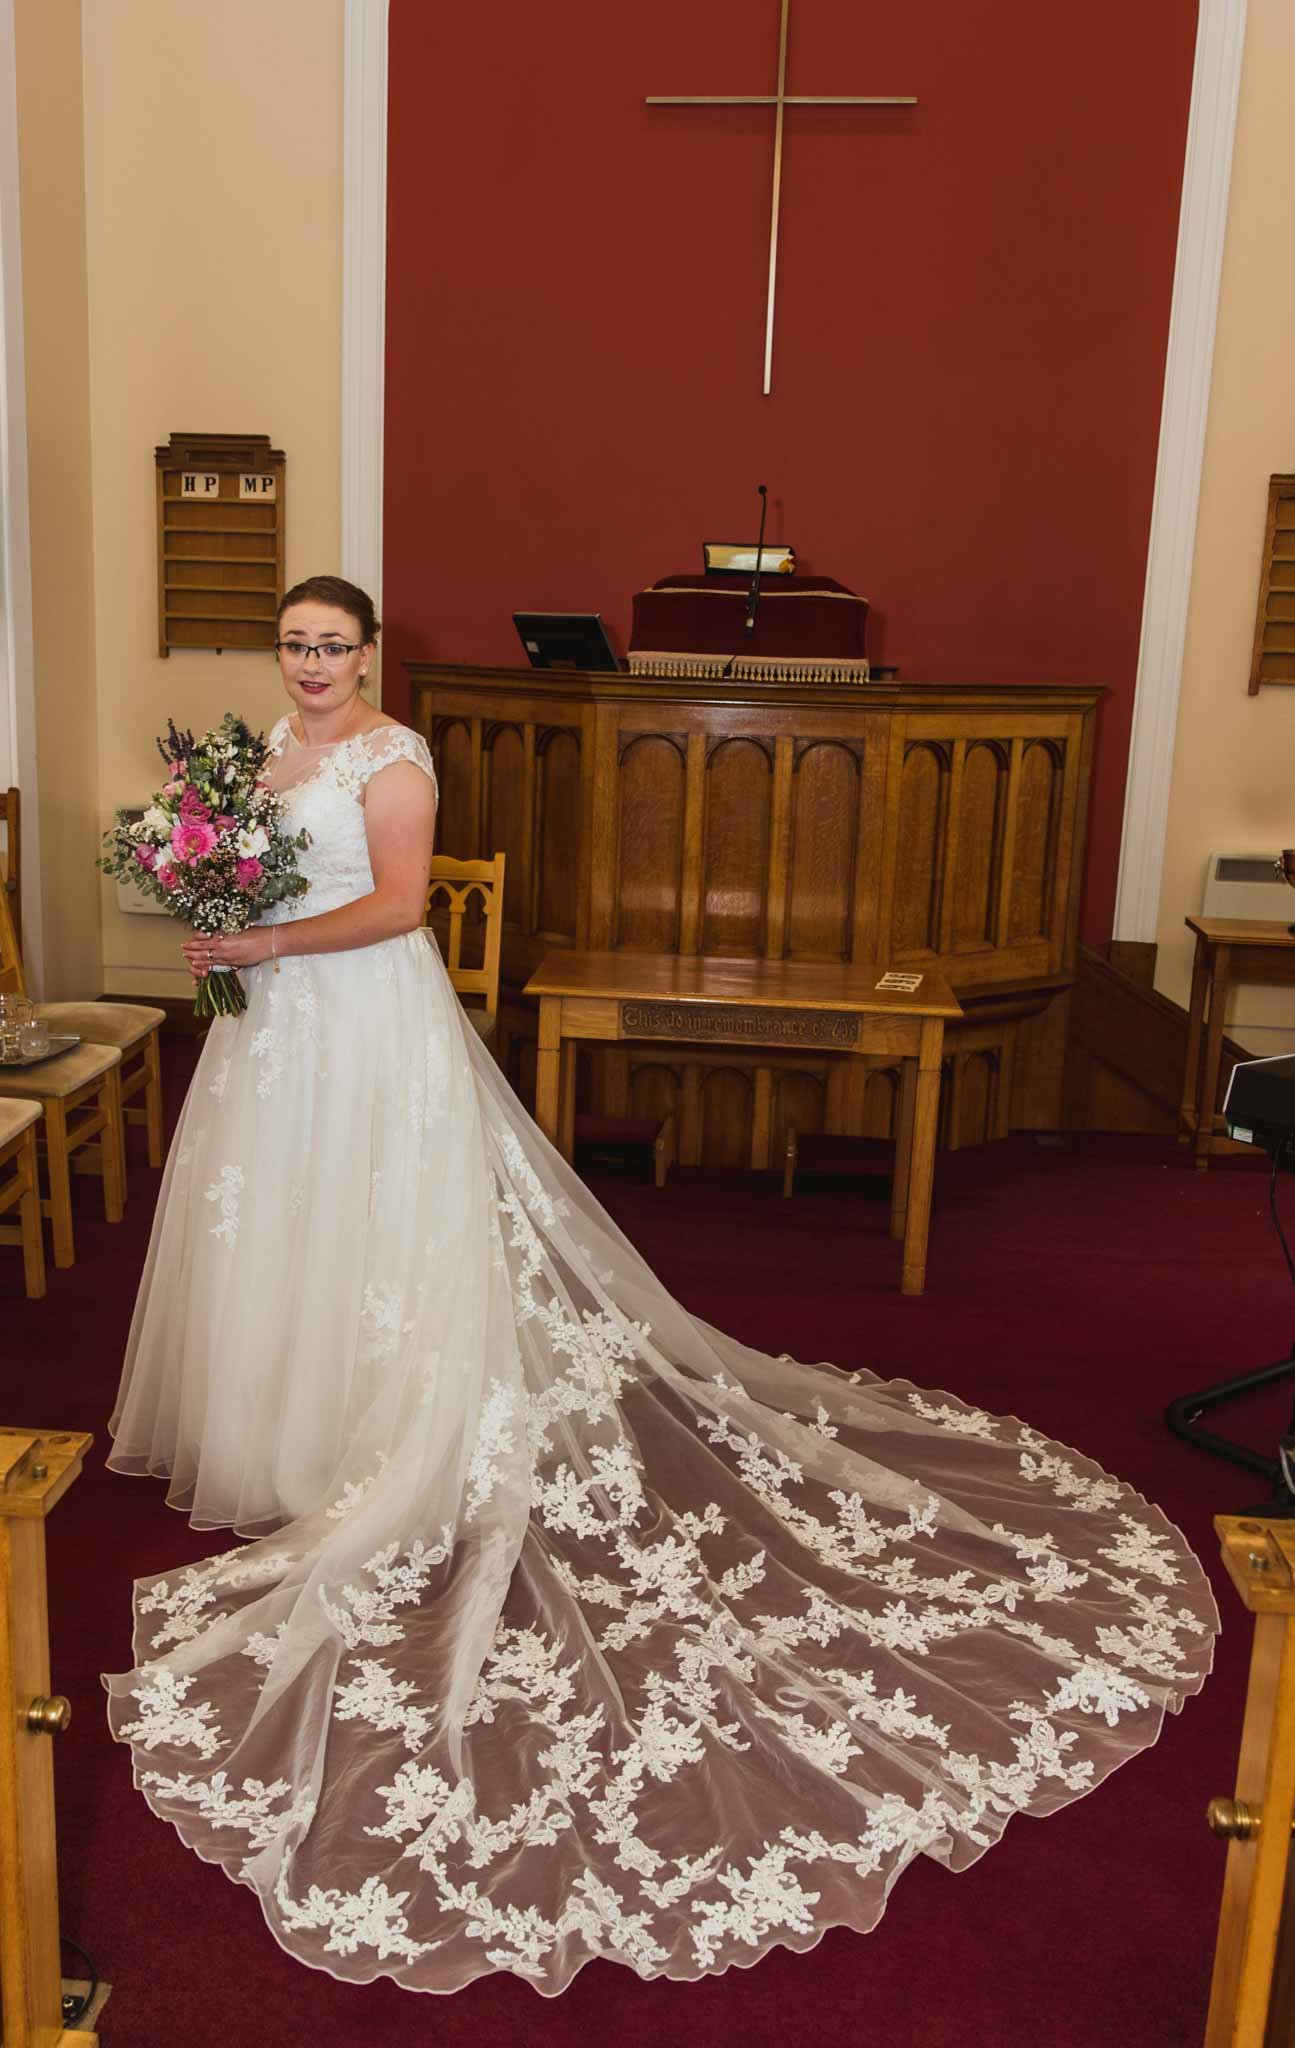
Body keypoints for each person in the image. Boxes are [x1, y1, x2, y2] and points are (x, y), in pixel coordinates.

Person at [106, 575, 1218, 1997]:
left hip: (366, 1025)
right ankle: (285, 1427)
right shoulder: (260, 750)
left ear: (372, 653)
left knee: (377, 1224)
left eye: (334, 646)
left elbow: (393, 907)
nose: (314, 664)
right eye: (296, 645)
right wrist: (216, 915)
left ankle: (387, 1427)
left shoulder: (398, 756)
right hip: (270, 1035)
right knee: (273, 1223)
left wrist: (258, 938)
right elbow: (246, 869)